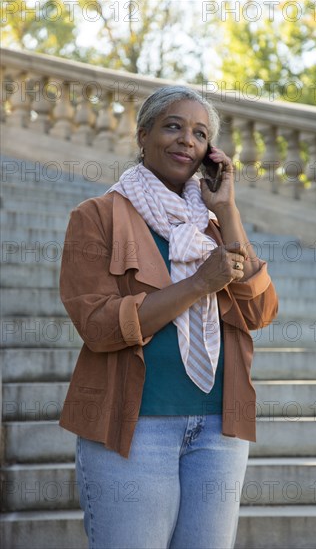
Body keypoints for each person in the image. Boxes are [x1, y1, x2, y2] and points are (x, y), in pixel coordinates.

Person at [59, 86, 278, 549]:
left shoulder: (214, 225)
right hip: (134, 428)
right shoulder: (97, 216)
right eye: (173, 126)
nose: (186, 140)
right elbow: (98, 326)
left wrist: (228, 211)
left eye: (200, 134)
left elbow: (259, 310)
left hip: (219, 429)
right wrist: (198, 284)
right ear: (143, 135)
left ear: (208, 154)